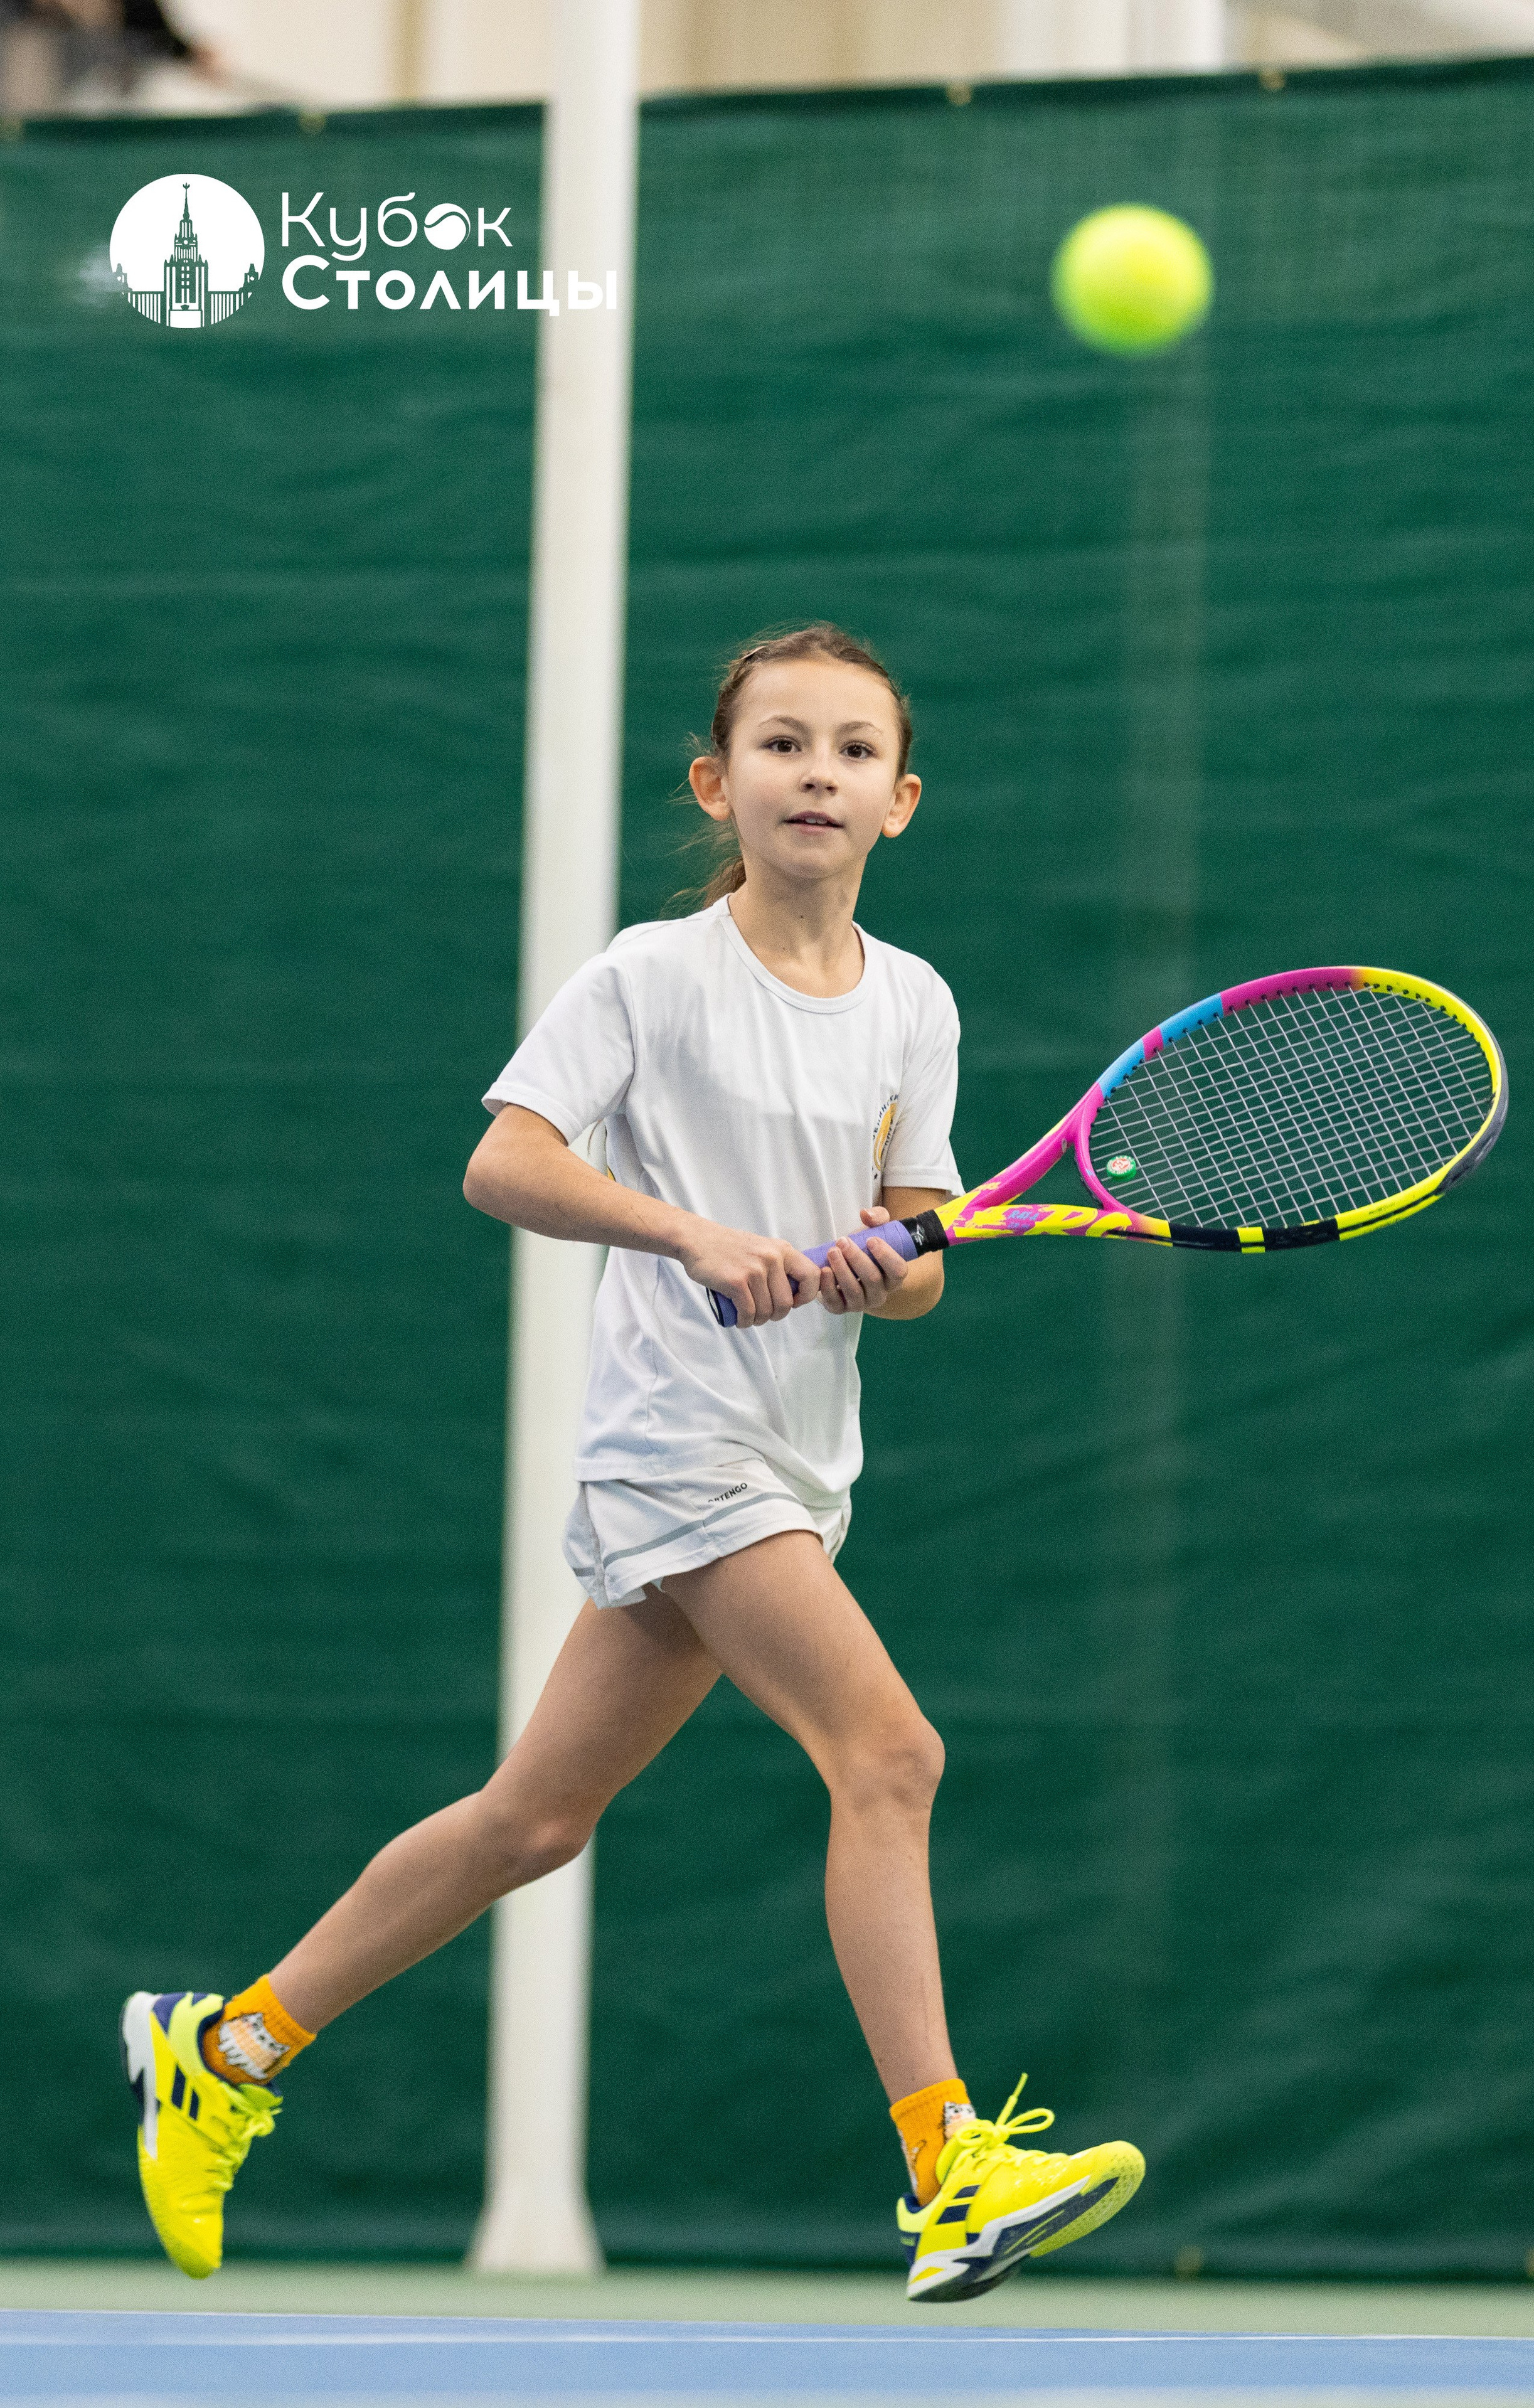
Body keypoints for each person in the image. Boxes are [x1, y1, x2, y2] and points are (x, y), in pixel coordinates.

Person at [120, 623, 1145, 2303]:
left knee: (534, 1821)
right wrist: (688, 1233)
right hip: (677, 1446)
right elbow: (503, 1162)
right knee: (891, 1754)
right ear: (715, 781)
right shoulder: (650, 978)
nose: (816, 774)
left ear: (902, 800)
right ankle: (950, 2163)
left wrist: (903, 1269)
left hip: (802, 1458)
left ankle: (226, 2055)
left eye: (853, 751)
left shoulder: (916, 1006)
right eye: (782, 744)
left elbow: (926, 1247)